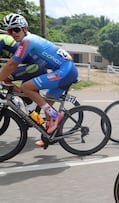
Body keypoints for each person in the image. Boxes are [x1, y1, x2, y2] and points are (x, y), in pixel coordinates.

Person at [1, 13, 78, 147]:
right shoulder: (27, 40)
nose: (13, 33)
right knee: (46, 106)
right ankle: (49, 137)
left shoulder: (27, 40)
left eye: (16, 29)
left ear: (25, 28)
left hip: (65, 71)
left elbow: (12, 65)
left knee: (26, 87)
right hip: (62, 70)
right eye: (9, 30)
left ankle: (55, 115)